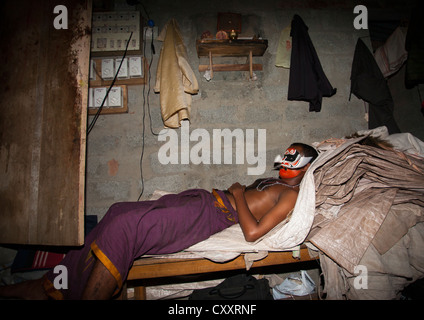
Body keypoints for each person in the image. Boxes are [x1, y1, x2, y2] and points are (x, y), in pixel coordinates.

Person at [0, 143, 318, 300]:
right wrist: (234, 191)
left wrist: (236, 192)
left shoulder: (289, 196)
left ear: (305, 169)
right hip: (206, 199)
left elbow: (252, 233)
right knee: (118, 212)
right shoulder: (275, 181)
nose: (287, 160)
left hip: (213, 214)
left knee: (127, 228)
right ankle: (54, 284)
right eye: (288, 153)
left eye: (295, 158)